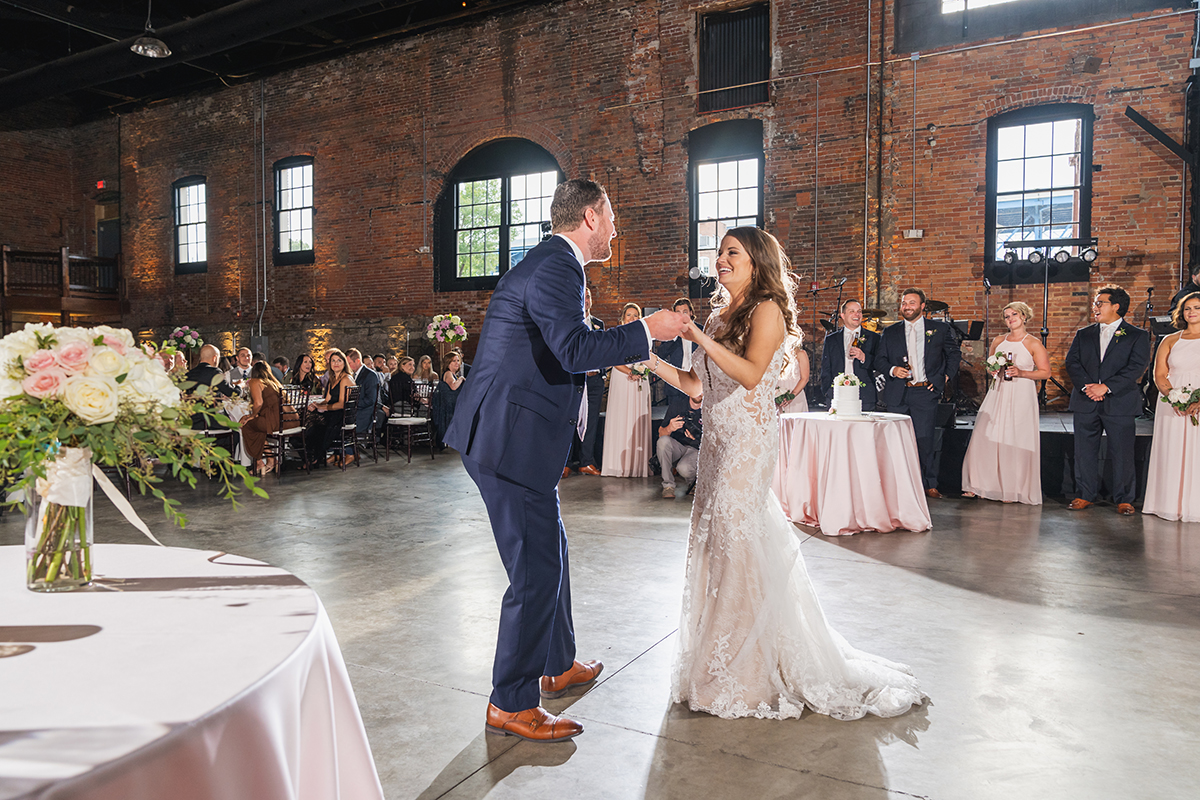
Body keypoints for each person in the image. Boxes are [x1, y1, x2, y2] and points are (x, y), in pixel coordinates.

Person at [443, 178, 690, 742]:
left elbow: (564, 341)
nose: (617, 228)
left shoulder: (554, 264)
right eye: (612, 216)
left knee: (552, 551)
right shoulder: (558, 266)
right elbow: (574, 351)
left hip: (519, 437)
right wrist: (646, 330)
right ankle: (510, 701)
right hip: (509, 441)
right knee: (534, 572)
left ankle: (556, 666)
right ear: (589, 217)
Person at [644, 226, 925, 721]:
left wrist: (695, 336)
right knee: (718, 545)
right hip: (716, 443)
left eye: (732, 252)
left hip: (748, 444)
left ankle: (749, 672)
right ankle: (721, 662)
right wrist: (646, 358)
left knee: (736, 538)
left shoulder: (766, 310)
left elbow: (752, 374)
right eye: (719, 253)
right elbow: (696, 386)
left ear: (756, 261)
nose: (721, 259)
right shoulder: (715, 314)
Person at [1064, 284, 1152, 515]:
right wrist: (1087, 387)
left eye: (1100, 303)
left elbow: (1136, 367)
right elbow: (1072, 362)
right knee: (1084, 450)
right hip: (1085, 401)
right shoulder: (1084, 334)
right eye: (1096, 303)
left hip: (1120, 401)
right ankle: (1085, 494)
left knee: (1122, 451)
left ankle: (1124, 499)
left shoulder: (1137, 335)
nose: (1095, 307)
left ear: (1116, 306)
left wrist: (1107, 387)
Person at [961, 302, 1049, 504]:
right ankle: (980, 484)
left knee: (1014, 437)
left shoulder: (1033, 343)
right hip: (999, 391)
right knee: (986, 435)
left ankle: (1012, 488)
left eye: (1014, 314)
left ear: (1025, 316)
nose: (1010, 319)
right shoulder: (998, 340)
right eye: (1007, 316)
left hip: (1021, 393)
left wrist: (1022, 372)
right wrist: (992, 370)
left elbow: (1045, 372)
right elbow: (991, 363)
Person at [879, 288, 962, 498]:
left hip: (925, 392)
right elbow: (879, 360)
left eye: (912, 303)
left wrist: (944, 378)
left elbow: (953, 354)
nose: (906, 306)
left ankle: (929, 484)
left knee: (924, 440)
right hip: (897, 394)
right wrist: (892, 370)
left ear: (923, 306)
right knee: (896, 440)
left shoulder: (939, 329)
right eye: (904, 303)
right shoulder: (890, 332)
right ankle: (897, 483)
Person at [1143, 292, 1200, 521]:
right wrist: (1173, 396)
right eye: (1187, 308)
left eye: (1197, 307)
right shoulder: (1170, 339)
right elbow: (1159, 374)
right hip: (1172, 402)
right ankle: (1167, 503)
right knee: (1172, 449)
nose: (1192, 312)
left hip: (1198, 403)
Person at [601, 302, 653, 477]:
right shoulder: (617, 336)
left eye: (636, 315)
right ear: (622, 319)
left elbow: (650, 359)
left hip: (639, 382)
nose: (632, 318)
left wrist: (641, 372)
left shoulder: (645, 337)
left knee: (636, 419)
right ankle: (617, 465)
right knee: (621, 418)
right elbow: (614, 360)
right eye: (629, 315)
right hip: (622, 380)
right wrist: (631, 371)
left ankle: (638, 465)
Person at [565, 286, 606, 477]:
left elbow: (604, 351)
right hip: (575, 382)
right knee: (570, 420)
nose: (587, 300)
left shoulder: (599, 324)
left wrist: (603, 374)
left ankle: (586, 462)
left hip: (595, 381)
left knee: (591, 422)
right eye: (584, 297)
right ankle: (565, 463)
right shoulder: (570, 323)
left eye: (589, 297)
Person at [818, 299, 881, 411]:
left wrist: (864, 357)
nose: (857, 314)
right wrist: (828, 391)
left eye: (859, 311)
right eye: (852, 311)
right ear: (843, 315)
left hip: (865, 395)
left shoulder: (874, 338)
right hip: (837, 394)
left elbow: (880, 364)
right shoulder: (831, 339)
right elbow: (826, 368)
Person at [306, 348, 356, 467]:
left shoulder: (346, 379)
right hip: (333, 412)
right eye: (333, 360)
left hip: (342, 415)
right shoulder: (332, 379)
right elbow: (327, 399)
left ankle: (315, 457)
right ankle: (312, 456)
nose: (336, 363)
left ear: (344, 363)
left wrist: (324, 408)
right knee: (310, 419)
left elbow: (342, 404)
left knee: (317, 425)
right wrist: (316, 405)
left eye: (339, 360)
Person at [239, 361, 283, 476]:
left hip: (274, 421)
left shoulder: (255, 381)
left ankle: (260, 462)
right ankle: (271, 459)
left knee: (247, 426)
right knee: (256, 425)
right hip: (288, 421)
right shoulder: (274, 383)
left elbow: (258, 403)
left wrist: (252, 416)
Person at [656, 392, 702, 498]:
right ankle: (668, 486)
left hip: (696, 449)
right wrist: (670, 428)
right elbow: (661, 434)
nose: (699, 393)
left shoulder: (709, 407)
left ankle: (694, 483)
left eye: (701, 390)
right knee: (663, 441)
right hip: (678, 447)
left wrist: (696, 437)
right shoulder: (678, 405)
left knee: (684, 467)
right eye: (696, 390)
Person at [655, 298, 697, 404]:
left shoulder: (701, 330)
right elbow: (661, 354)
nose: (682, 316)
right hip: (677, 383)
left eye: (685, 312)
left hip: (697, 383)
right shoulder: (669, 333)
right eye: (678, 312)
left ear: (691, 313)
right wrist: (673, 336)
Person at [184, 343, 236, 429]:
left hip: (192, 421)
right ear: (214, 358)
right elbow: (231, 393)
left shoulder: (189, 374)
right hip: (210, 421)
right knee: (236, 431)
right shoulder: (214, 372)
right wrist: (239, 387)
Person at [346, 348, 382, 444]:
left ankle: (347, 452)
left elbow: (371, 400)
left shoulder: (370, 375)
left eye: (349, 363)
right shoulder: (352, 375)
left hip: (363, 414)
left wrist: (351, 404)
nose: (347, 366)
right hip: (354, 411)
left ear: (357, 361)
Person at [432, 351, 464, 450]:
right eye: (453, 361)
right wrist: (462, 378)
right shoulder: (449, 373)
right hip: (449, 407)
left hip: (453, 405)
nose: (457, 363)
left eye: (458, 360)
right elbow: (453, 386)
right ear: (448, 363)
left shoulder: (453, 374)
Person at [775, 332, 809, 412]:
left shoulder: (800, 354)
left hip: (796, 396)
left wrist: (792, 395)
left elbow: (805, 378)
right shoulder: (773, 354)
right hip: (777, 395)